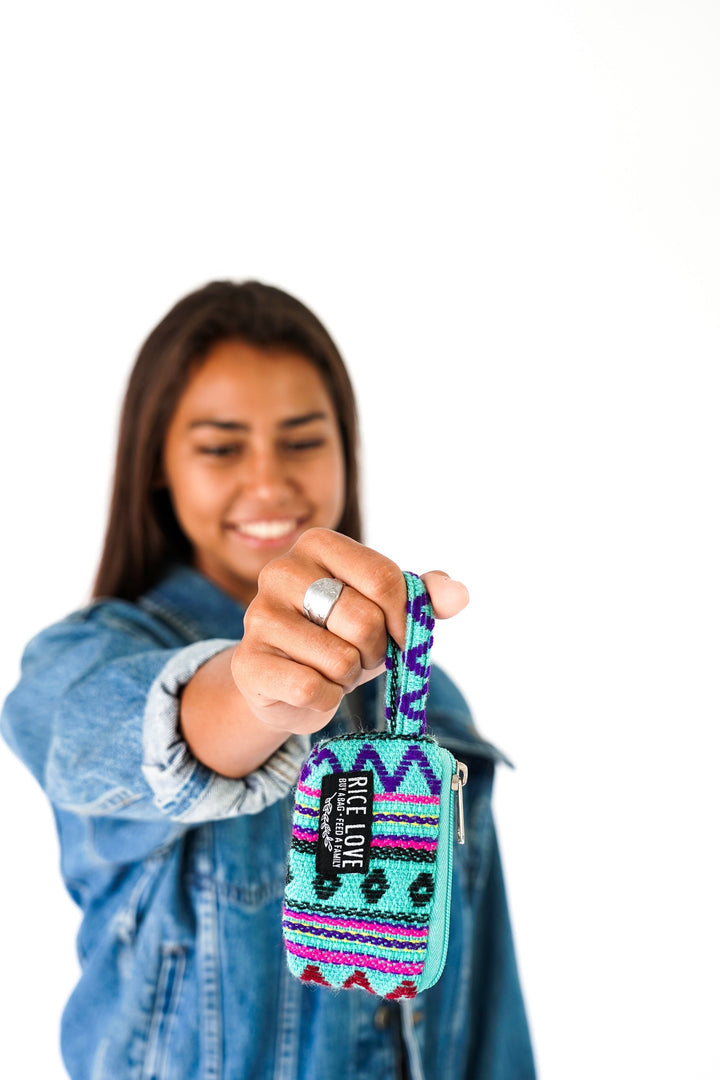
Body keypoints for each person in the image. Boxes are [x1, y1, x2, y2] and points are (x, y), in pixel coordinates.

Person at [1, 281, 535, 1080]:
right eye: (221, 447)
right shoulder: (82, 658)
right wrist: (252, 692)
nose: (268, 482)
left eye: (302, 440)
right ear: (158, 467)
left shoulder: (432, 705)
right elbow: (88, 733)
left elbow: (487, 1013)